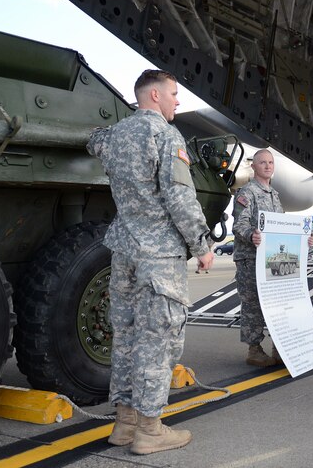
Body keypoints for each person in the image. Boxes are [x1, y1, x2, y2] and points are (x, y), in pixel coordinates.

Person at [87, 69, 214, 455]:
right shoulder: (166, 136)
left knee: (125, 339)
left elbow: (92, 141)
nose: (178, 100)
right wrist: (202, 245)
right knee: (157, 341)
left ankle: (124, 425)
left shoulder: (116, 135)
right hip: (159, 256)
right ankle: (149, 430)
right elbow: (179, 198)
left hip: (124, 250)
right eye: (174, 94)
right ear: (154, 96)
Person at [233, 149, 313, 366]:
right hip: (250, 259)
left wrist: (303, 239)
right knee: (253, 304)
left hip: (271, 261)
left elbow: (282, 229)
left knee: (278, 304)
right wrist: (252, 235)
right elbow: (239, 225)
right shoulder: (246, 193)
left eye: (271, 162)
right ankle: (254, 349)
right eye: (263, 162)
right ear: (254, 166)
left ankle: (281, 348)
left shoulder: (275, 196)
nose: (268, 166)